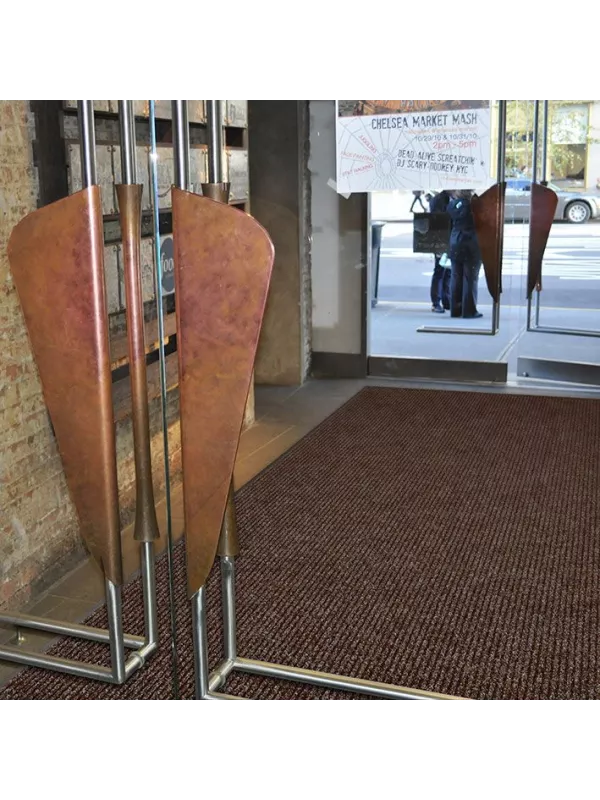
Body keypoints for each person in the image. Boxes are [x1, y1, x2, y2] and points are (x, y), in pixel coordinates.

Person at [447, 190, 483, 319]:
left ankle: (455, 309)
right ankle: (469, 310)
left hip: (455, 242)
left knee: (456, 277)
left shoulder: (452, 205)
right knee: (470, 278)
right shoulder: (474, 206)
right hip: (470, 244)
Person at [428, 190, 451, 313]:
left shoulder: (449, 198)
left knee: (448, 271)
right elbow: (437, 220)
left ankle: (446, 300)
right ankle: (436, 302)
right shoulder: (440, 200)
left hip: (448, 239)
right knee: (440, 270)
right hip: (441, 240)